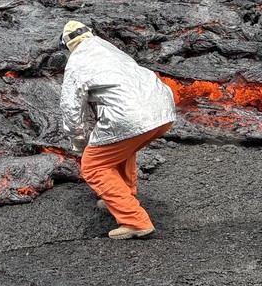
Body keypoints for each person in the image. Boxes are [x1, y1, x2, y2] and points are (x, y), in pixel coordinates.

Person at [59, 20, 177, 239]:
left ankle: (135, 221)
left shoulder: (77, 61)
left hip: (129, 115)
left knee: (93, 165)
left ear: (67, 45)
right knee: (122, 147)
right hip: (162, 108)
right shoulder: (110, 49)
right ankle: (122, 195)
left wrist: (80, 144)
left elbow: (72, 109)